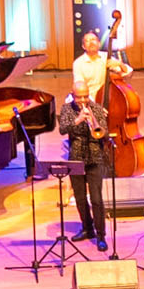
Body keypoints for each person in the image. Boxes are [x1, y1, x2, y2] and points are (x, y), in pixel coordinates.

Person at [57, 90, 111, 247]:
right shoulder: (67, 109)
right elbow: (62, 129)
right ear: (73, 96)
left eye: (85, 96)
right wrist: (78, 120)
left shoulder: (97, 108)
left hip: (95, 157)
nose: (82, 100)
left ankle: (101, 235)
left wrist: (94, 121)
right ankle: (87, 228)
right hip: (76, 157)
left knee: (96, 199)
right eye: (79, 97)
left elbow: (104, 133)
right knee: (80, 198)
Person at [72, 27, 131, 103]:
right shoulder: (78, 63)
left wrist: (119, 64)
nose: (91, 42)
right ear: (83, 46)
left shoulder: (106, 57)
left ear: (99, 44)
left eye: (93, 40)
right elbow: (80, 87)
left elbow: (127, 73)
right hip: (88, 100)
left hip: (107, 98)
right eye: (87, 41)